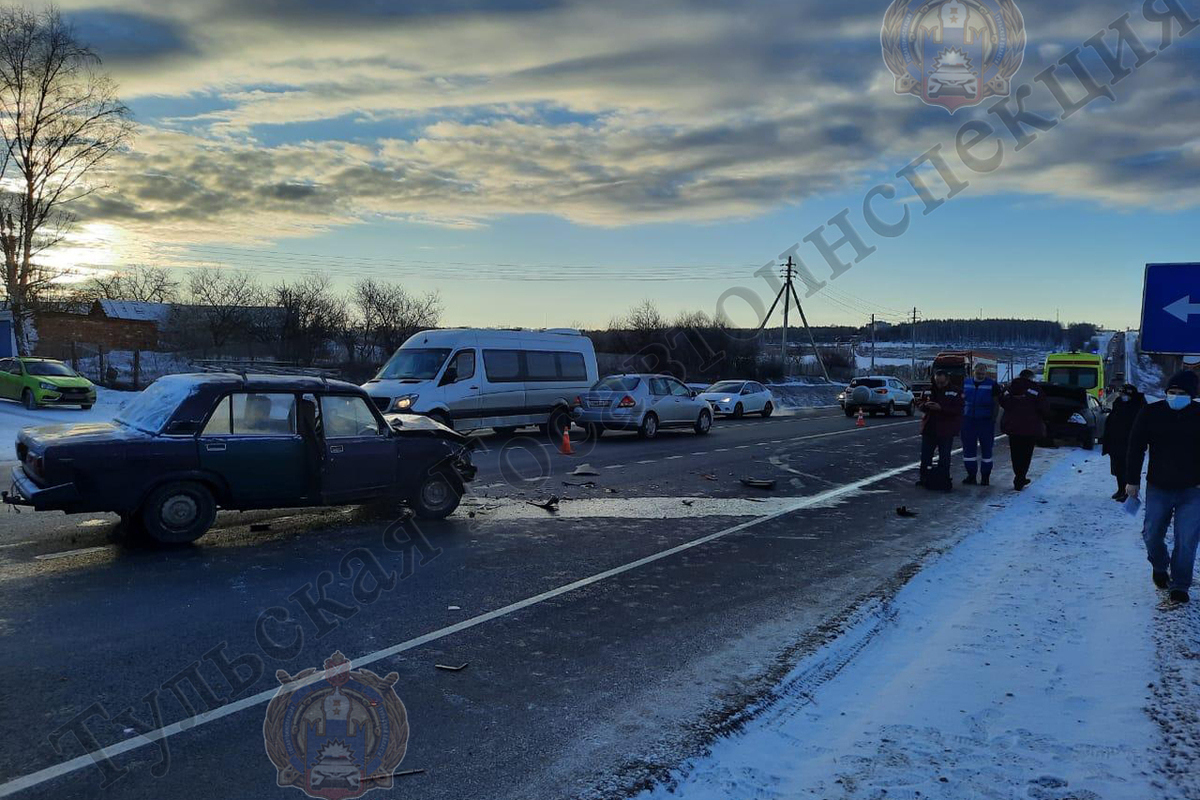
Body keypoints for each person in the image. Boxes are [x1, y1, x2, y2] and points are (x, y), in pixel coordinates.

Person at [1126, 370, 1200, 604]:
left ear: (1192, 395)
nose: (1175, 396)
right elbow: (1135, 445)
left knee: (1187, 539)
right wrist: (1132, 480)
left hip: (1193, 489)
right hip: (1159, 485)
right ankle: (1159, 565)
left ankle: (1180, 585)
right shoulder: (1151, 412)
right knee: (1151, 533)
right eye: (1171, 392)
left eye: (1181, 393)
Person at [1000, 369, 1049, 491]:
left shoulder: (1010, 388)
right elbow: (1043, 407)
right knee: (1026, 454)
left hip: (1013, 427)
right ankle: (1020, 477)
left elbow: (1003, 401)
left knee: (1015, 453)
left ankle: (1018, 475)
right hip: (1030, 428)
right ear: (1031, 378)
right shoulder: (1035, 389)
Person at [917, 369, 964, 492]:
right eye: (937, 382)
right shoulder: (928, 389)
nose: (939, 385)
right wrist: (925, 406)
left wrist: (941, 408)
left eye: (941, 382)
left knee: (944, 456)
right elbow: (919, 403)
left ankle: (943, 478)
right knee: (926, 456)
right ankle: (924, 478)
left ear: (947, 380)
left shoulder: (955, 391)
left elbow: (958, 409)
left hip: (946, 429)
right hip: (929, 428)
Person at [1102, 383, 1145, 502]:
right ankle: (1121, 489)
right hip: (1116, 443)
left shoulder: (1138, 407)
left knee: (1130, 469)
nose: (1122, 396)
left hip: (1131, 444)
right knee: (1118, 468)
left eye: (1124, 394)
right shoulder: (1118, 403)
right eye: (1121, 394)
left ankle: (1129, 493)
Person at [960, 362, 1001, 485]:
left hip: (985, 421)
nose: (980, 375)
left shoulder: (992, 385)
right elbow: (960, 400)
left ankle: (985, 477)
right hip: (968, 420)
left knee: (987, 450)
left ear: (986, 373)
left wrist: (993, 419)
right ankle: (971, 475)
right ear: (974, 372)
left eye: (983, 373)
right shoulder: (966, 383)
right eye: (978, 373)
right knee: (968, 450)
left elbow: (996, 404)